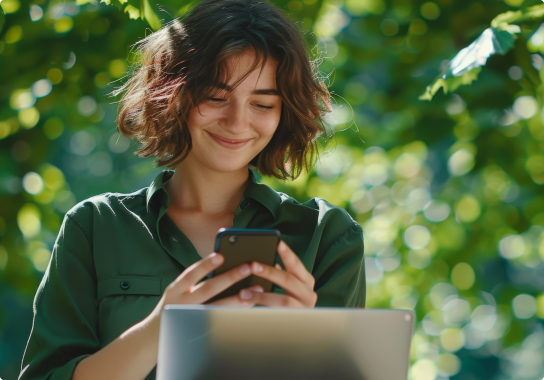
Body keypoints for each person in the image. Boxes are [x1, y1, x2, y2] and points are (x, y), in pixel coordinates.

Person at [19, 0, 366, 379]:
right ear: (172, 94)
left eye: (263, 103)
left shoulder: (328, 237)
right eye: (215, 98)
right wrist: (160, 329)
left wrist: (301, 347)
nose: (237, 122)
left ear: (285, 112)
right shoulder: (94, 227)